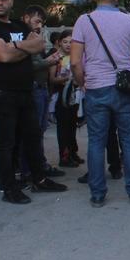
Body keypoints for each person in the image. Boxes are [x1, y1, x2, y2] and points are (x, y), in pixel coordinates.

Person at [0, 0, 67, 204]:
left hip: (25, 91)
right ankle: (9, 188)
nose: (0, 2)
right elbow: (3, 56)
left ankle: (39, 179)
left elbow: (39, 44)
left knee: (33, 138)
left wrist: (13, 45)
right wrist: (23, 47)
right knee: (6, 143)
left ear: (11, 1)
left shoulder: (17, 25)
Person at [70, 0, 130, 207]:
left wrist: (82, 82)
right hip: (125, 89)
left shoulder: (83, 22)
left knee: (96, 141)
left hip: (96, 88)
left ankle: (97, 195)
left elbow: (75, 61)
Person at [19, 6, 64, 178]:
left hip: (41, 87)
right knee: (32, 131)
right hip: (33, 88)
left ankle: (39, 164)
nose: (39, 25)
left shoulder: (35, 37)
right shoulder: (23, 38)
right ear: (26, 18)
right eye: (37, 21)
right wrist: (50, 61)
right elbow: (33, 64)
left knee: (40, 129)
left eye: (41, 22)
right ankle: (29, 169)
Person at [51, 30, 81, 168]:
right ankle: (64, 156)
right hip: (61, 96)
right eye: (65, 42)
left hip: (74, 95)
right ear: (59, 42)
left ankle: (73, 152)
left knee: (72, 125)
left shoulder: (77, 57)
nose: (69, 45)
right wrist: (66, 79)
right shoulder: (55, 58)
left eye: (71, 42)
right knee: (63, 127)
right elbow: (52, 79)